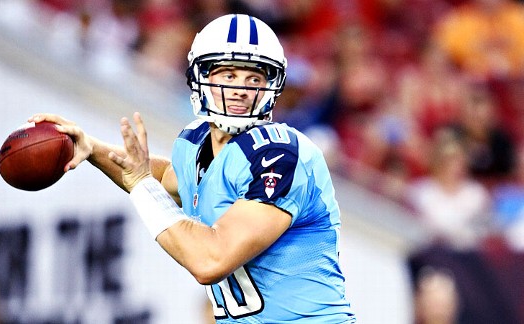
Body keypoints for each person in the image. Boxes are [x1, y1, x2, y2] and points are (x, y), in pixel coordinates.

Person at [29, 14, 356, 323]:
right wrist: (91, 147)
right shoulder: (196, 144)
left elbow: (210, 260)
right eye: (228, 75)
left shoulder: (280, 155)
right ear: (202, 77)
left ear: (270, 87)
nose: (241, 88)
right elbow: (162, 176)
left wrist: (141, 184)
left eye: (253, 77)